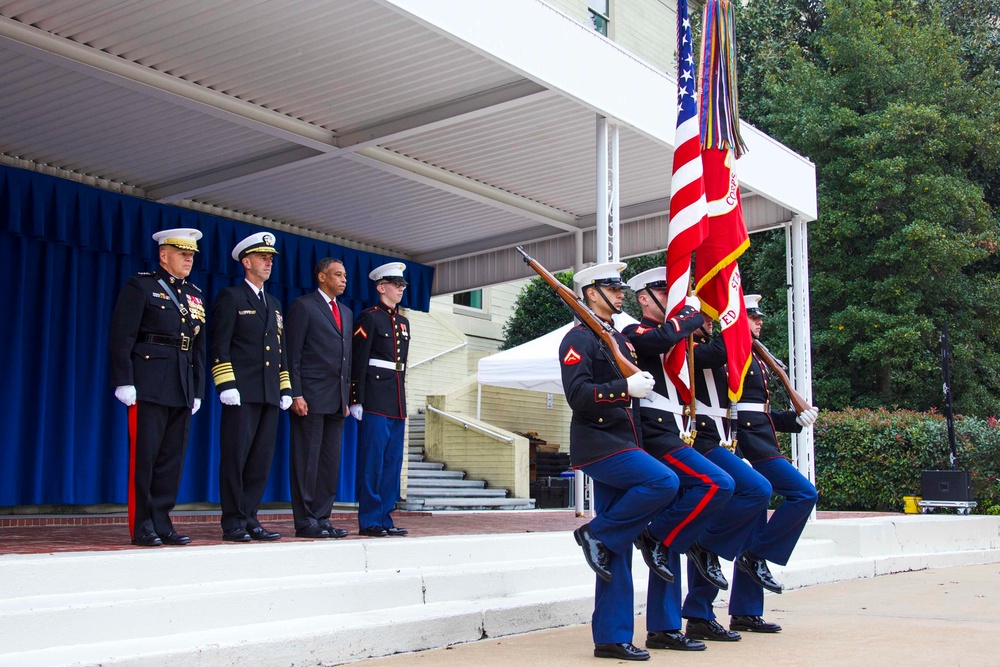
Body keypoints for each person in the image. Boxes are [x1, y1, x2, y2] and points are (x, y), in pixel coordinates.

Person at [559, 261, 678, 662]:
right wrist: (623, 387)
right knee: (664, 483)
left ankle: (611, 636)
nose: (621, 293)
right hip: (599, 444)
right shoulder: (578, 339)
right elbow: (578, 396)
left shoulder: (617, 340)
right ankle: (595, 532)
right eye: (613, 288)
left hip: (625, 441)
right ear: (591, 293)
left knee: (618, 546)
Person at [621, 268, 734, 653]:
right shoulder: (634, 333)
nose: (673, 298)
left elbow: (714, 350)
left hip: (676, 431)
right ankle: (657, 537)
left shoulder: (680, 338)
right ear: (644, 299)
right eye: (664, 293)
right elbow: (661, 339)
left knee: (672, 533)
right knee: (717, 484)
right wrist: (689, 316)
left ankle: (665, 626)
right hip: (656, 434)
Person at [725, 294, 819, 634]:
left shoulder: (755, 354)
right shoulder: (732, 352)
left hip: (757, 439)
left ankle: (746, 611)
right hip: (744, 444)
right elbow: (737, 410)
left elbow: (759, 411)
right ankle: (757, 557)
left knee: (756, 520)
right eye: (752, 316)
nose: (759, 321)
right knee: (803, 493)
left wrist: (794, 419)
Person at [678, 314, 774, 643]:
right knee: (754, 492)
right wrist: (735, 320)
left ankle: (721, 611)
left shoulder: (715, 348)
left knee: (750, 509)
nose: (709, 321)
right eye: (703, 316)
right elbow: (719, 352)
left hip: (726, 443)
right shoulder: (689, 348)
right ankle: (699, 610)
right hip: (701, 445)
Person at [109, 227, 206, 547]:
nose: (189, 259)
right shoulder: (142, 285)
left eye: (192, 254)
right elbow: (122, 335)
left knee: (171, 458)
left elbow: (198, 346)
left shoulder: (194, 294)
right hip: (149, 380)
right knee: (146, 456)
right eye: (183, 253)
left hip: (181, 380)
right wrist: (124, 380)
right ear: (164, 255)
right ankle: (142, 525)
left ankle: (163, 520)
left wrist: (197, 389)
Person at [210, 232, 293, 543]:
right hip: (241, 393)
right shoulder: (231, 297)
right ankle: (233, 522)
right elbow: (221, 345)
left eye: (270, 258)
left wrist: (284, 387)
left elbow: (279, 350)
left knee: (260, 459)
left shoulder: (273, 303)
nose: (268, 262)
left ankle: (251, 517)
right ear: (246, 262)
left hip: (269, 393)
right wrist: (226, 384)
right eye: (262, 257)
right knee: (236, 457)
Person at [285, 257, 353, 539]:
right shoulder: (304, 306)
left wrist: (347, 398)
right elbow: (292, 354)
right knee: (307, 461)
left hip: (336, 399)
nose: (343, 279)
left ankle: (323, 517)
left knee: (329, 462)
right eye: (337, 274)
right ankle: (305, 521)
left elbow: (346, 358)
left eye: (345, 275)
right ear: (322, 277)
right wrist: (295, 393)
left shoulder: (346, 312)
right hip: (309, 398)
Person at [350, 262, 411, 538]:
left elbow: (402, 365)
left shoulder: (403, 322)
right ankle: (370, 519)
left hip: (396, 398)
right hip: (374, 398)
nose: (400, 289)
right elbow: (359, 360)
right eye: (395, 284)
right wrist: (356, 398)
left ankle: (386, 517)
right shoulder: (369, 317)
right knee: (372, 462)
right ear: (381, 287)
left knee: (392, 462)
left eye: (402, 285)